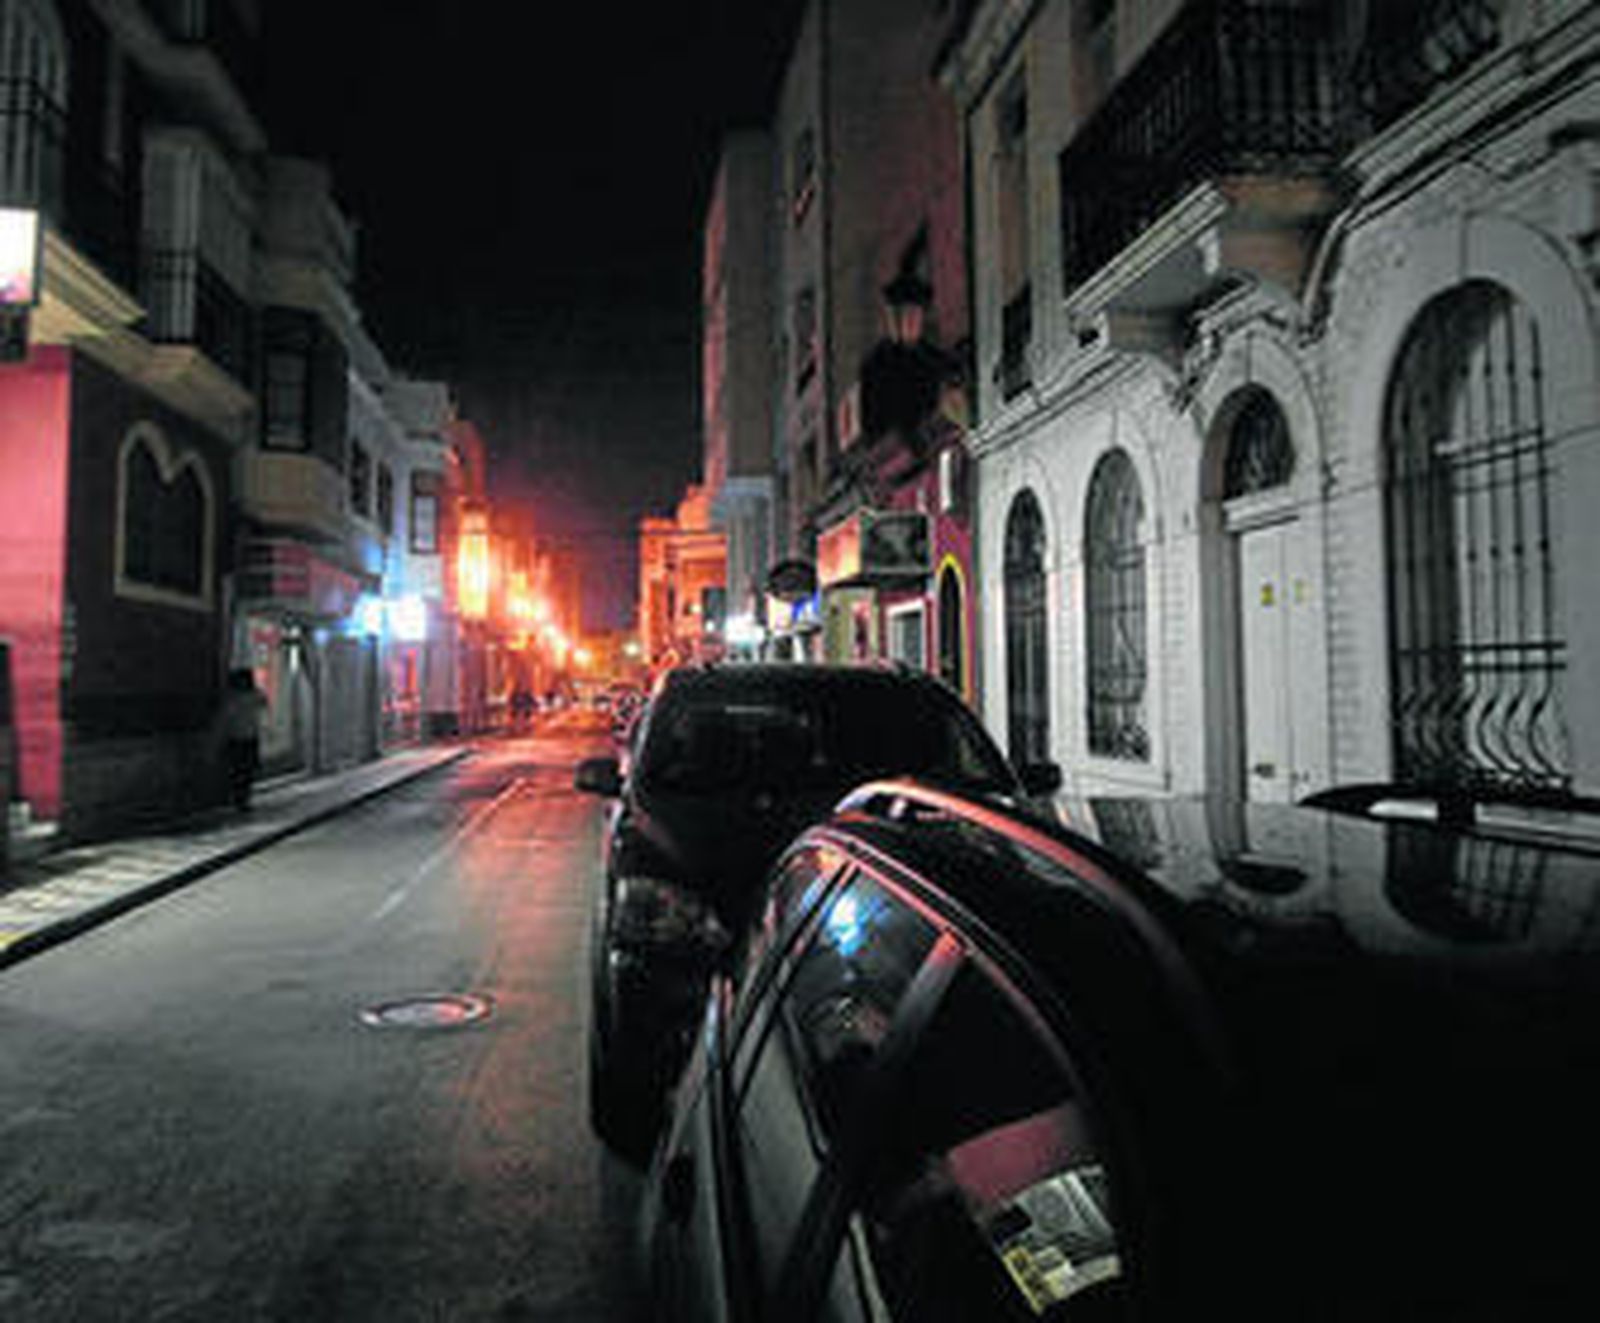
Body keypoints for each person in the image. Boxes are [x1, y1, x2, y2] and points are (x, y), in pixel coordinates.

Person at [221, 668, 267, 810]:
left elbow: (225, 717)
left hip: (235, 738)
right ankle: (243, 799)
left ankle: (238, 798)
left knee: (237, 771)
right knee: (247, 771)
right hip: (249, 737)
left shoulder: (230, 697)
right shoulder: (252, 696)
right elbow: (264, 701)